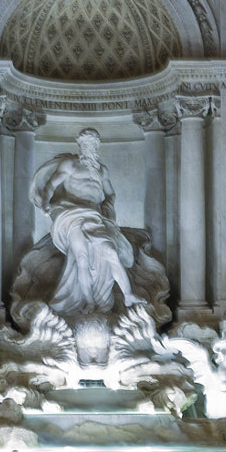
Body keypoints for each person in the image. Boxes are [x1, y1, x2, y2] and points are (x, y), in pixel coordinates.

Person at [31, 128, 139, 317]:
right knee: (81, 258)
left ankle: (128, 295)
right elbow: (51, 185)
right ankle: (89, 301)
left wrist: (108, 206)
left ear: (98, 146)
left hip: (95, 217)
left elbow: (110, 193)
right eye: (86, 143)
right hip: (72, 215)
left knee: (111, 252)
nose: (90, 147)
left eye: (93, 143)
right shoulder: (70, 164)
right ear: (80, 145)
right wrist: (46, 203)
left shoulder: (102, 170)